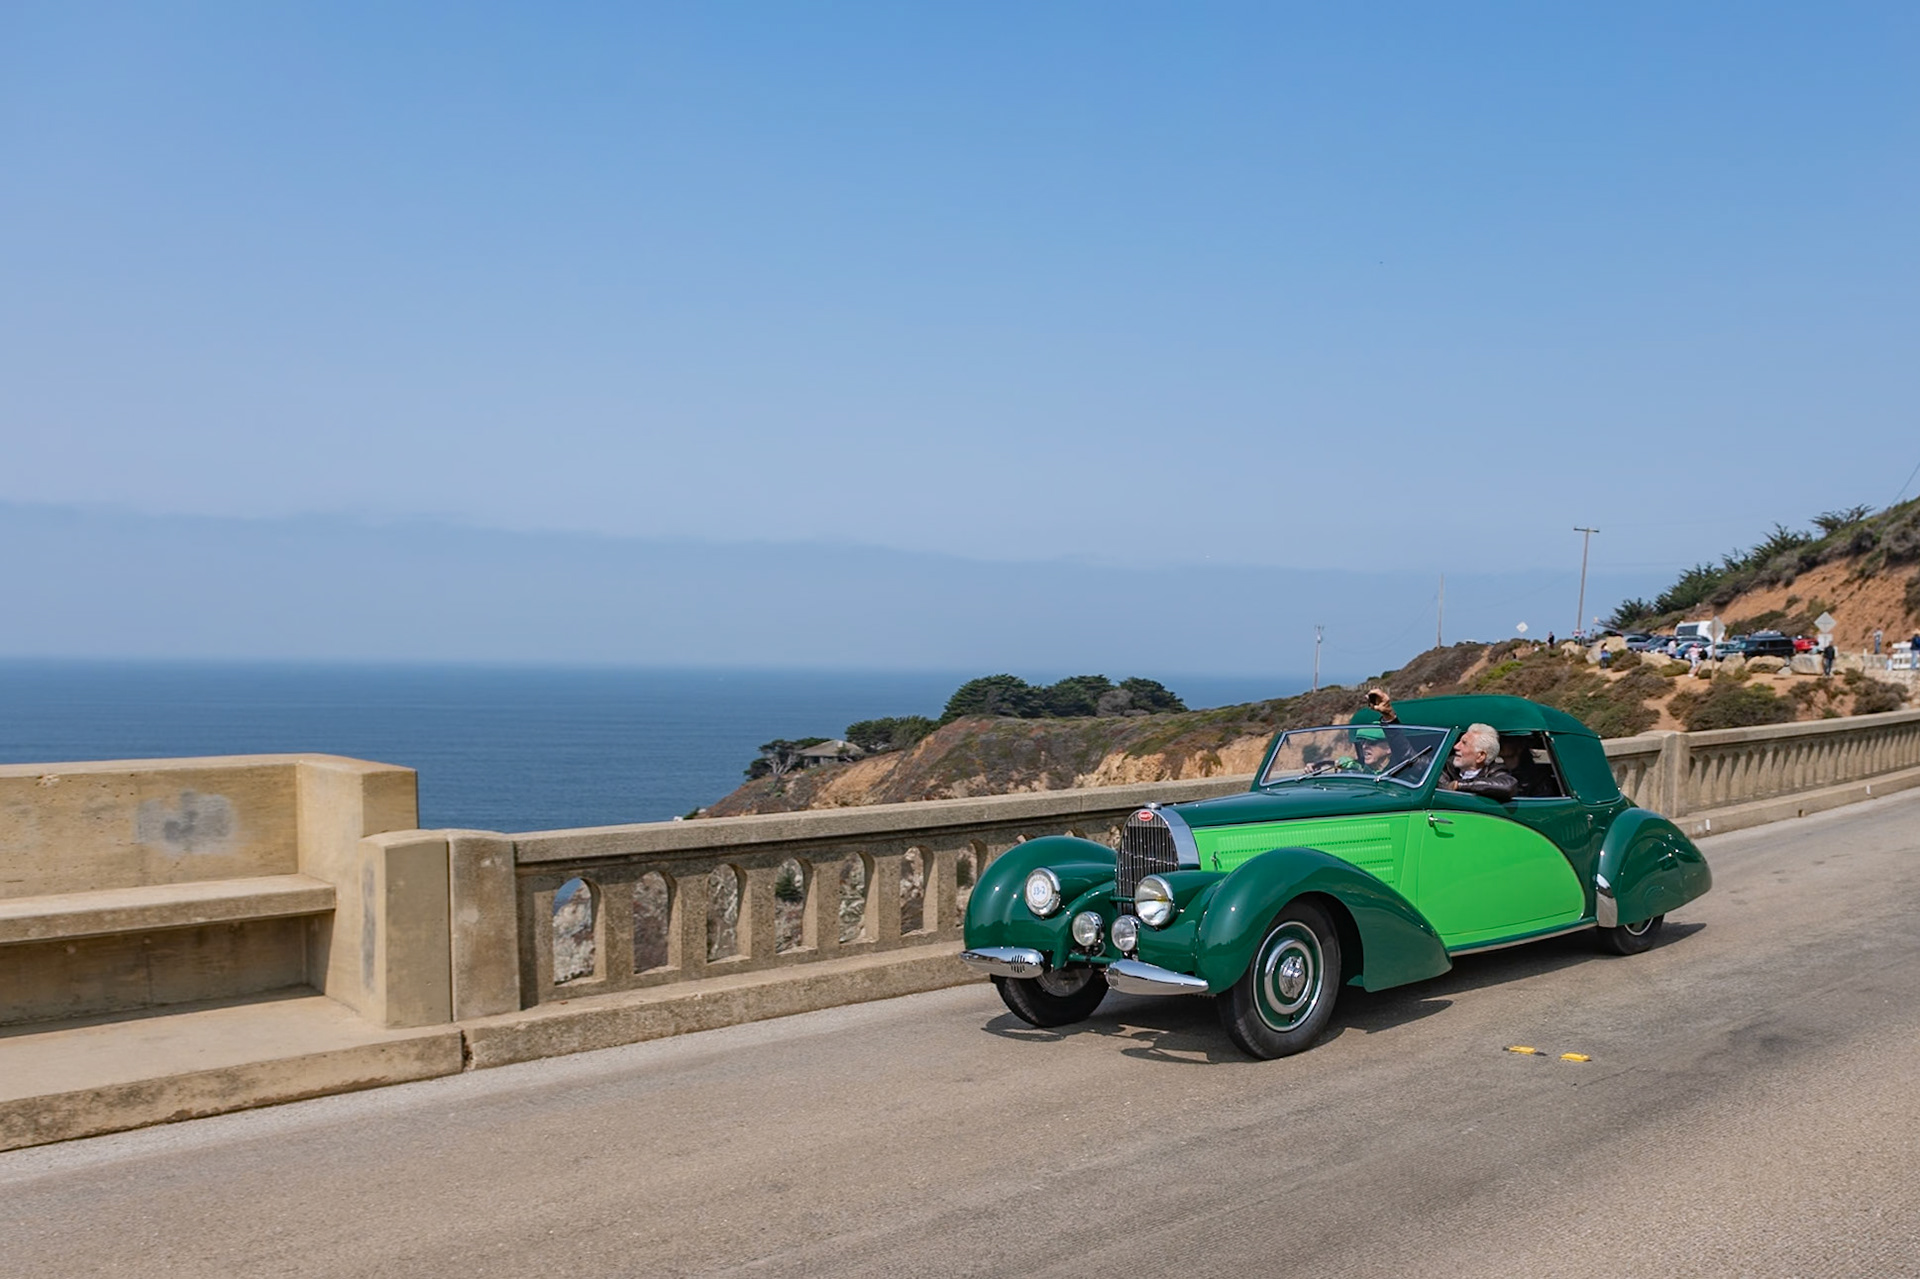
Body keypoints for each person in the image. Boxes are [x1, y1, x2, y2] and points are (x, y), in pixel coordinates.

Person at [1365, 690, 1518, 800]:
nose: (1456, 746)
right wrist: (1389, 717)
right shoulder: (1447, 768)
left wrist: (1459, 786)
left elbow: (1507, 786)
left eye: (1464, 743)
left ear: (1480, 756)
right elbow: (1409, 758)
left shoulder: (1496, 771)